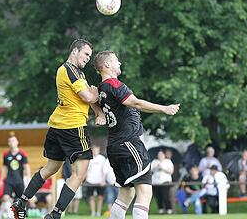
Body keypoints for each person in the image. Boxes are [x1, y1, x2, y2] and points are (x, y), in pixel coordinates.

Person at [11, 39, 106, 219]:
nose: (88, 59)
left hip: (57, 126)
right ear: (75, 51)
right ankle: (55, 214)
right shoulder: (69, 71)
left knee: (50, 168)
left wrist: (98, 112)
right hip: (73, 127)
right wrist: (95, 95)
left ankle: (21, 202)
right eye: (86, 54)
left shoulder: (77, 73)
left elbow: (87, 98)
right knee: (80, 173)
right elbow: (87, 96)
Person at [94, 50, 180, 219]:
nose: (119, 63)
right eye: (116, 61)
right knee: (145, 191)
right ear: (107, 65)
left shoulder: (101, 89)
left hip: (114, 146)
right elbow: (135, 102)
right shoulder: (114, 84)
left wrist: (99, 112)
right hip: (128, 143)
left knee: (126, 194)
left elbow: (91, 99)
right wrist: (163, 108)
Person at [0, 136, 30, 218]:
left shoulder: (22, 154)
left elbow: (27, 167)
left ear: (17, 142)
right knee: (5, 198)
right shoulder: (6, 154)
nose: (11, 142)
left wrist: (28, 179)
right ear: (8, 143)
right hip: (9, 181)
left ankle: (22, 216)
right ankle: (10, 216)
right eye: (10, 141)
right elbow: (4, 168)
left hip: (19, 181)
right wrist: (1, 181)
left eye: (13, 141)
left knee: (22, 200)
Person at [85, 145, 107, 217]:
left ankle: (98, 212)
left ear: (99, 150)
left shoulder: (102, 159)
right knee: (91, 197)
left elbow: (104, 170)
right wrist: (85, 179)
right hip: (90, 181)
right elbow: (86, 170)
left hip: (100, 181)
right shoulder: (89, 158)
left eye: (96, 150)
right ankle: (93, 212)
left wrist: (103, 180)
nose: (95, 151)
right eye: (94, 150)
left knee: (100, 197)